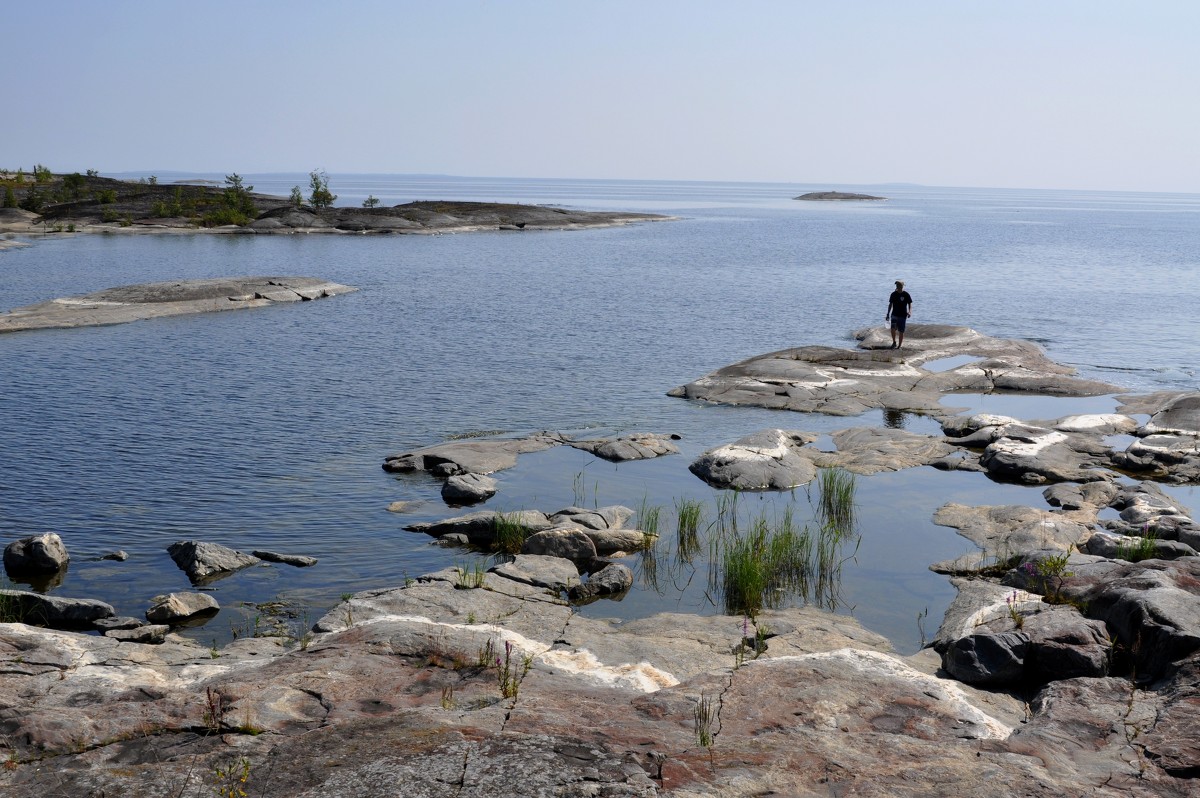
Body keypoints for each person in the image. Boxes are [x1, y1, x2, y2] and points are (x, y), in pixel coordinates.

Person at [885, 280, 912, 349]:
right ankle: (894, 342)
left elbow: (910, 303)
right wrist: (888, 314)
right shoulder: (893, 294)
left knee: (901, 331)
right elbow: (890, 304)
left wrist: (910, 312)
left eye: (899, 285)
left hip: (903, 315)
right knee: (892, 328)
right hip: (894, 314)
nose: (897, 287)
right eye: (897, 285)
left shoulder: (906, 294)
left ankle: (899, 346)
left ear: (902, 286)